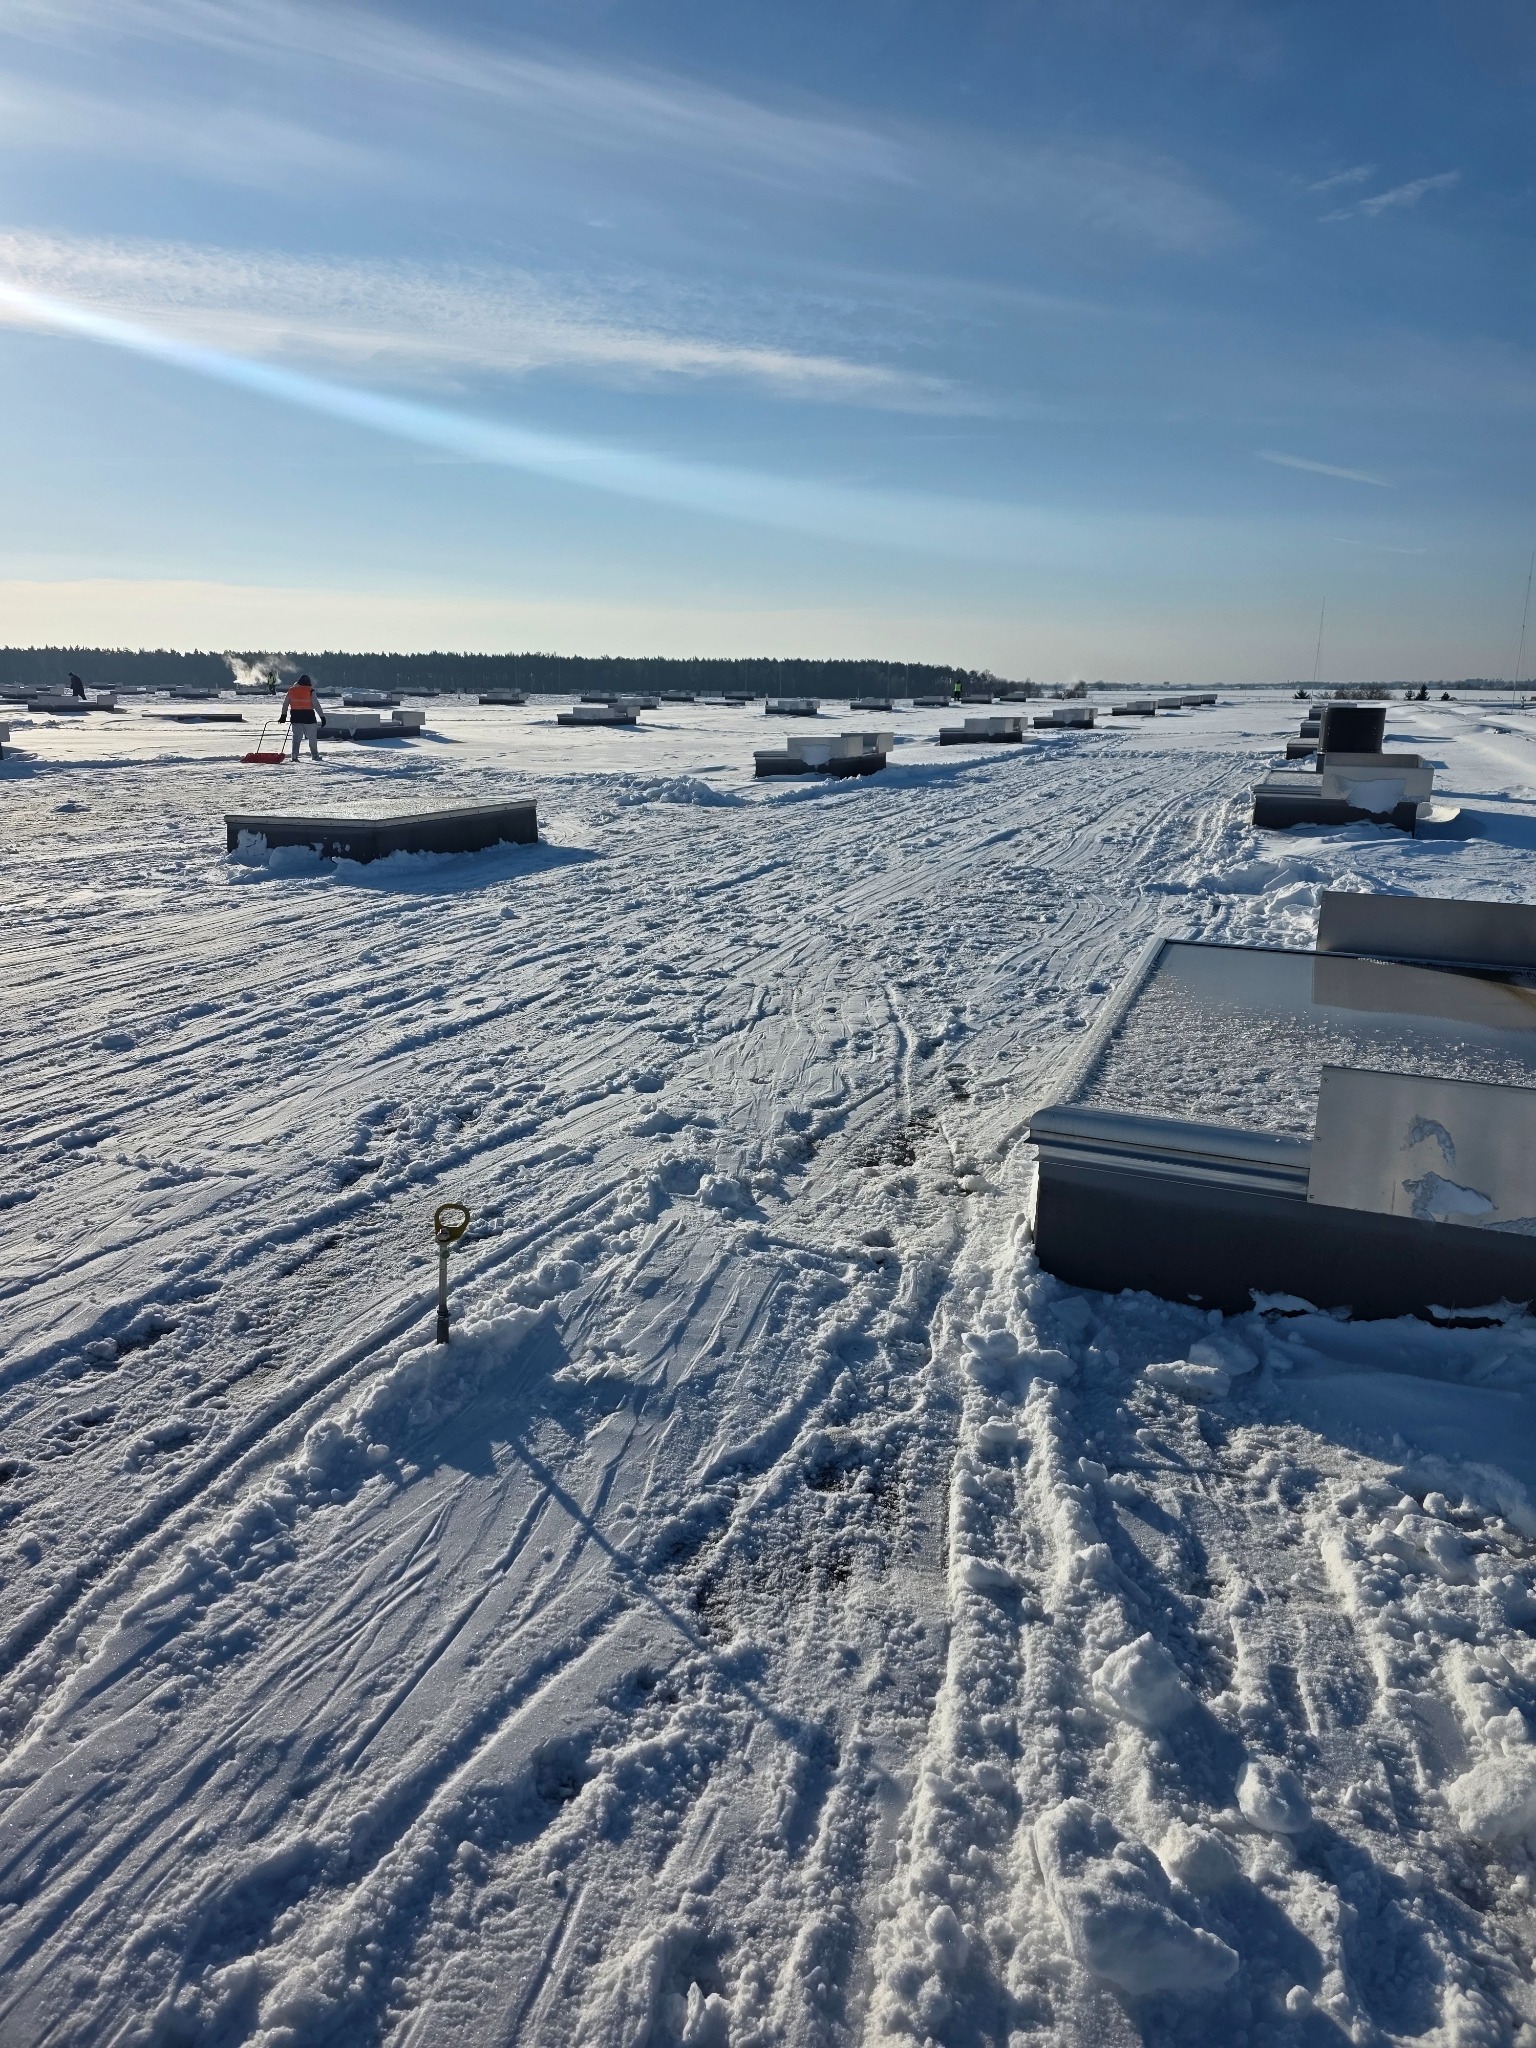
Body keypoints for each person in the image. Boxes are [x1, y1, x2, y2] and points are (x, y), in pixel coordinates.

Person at [279, 673, 325, 761]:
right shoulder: (310, 691)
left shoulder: (291, 690)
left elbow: (285, 704)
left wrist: (283, 715)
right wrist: (322, 717)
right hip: (309, 718)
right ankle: (315, 756)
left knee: (296, 738)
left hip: (296, 717)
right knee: (312, 738)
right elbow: (316, 705)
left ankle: (294, 756)